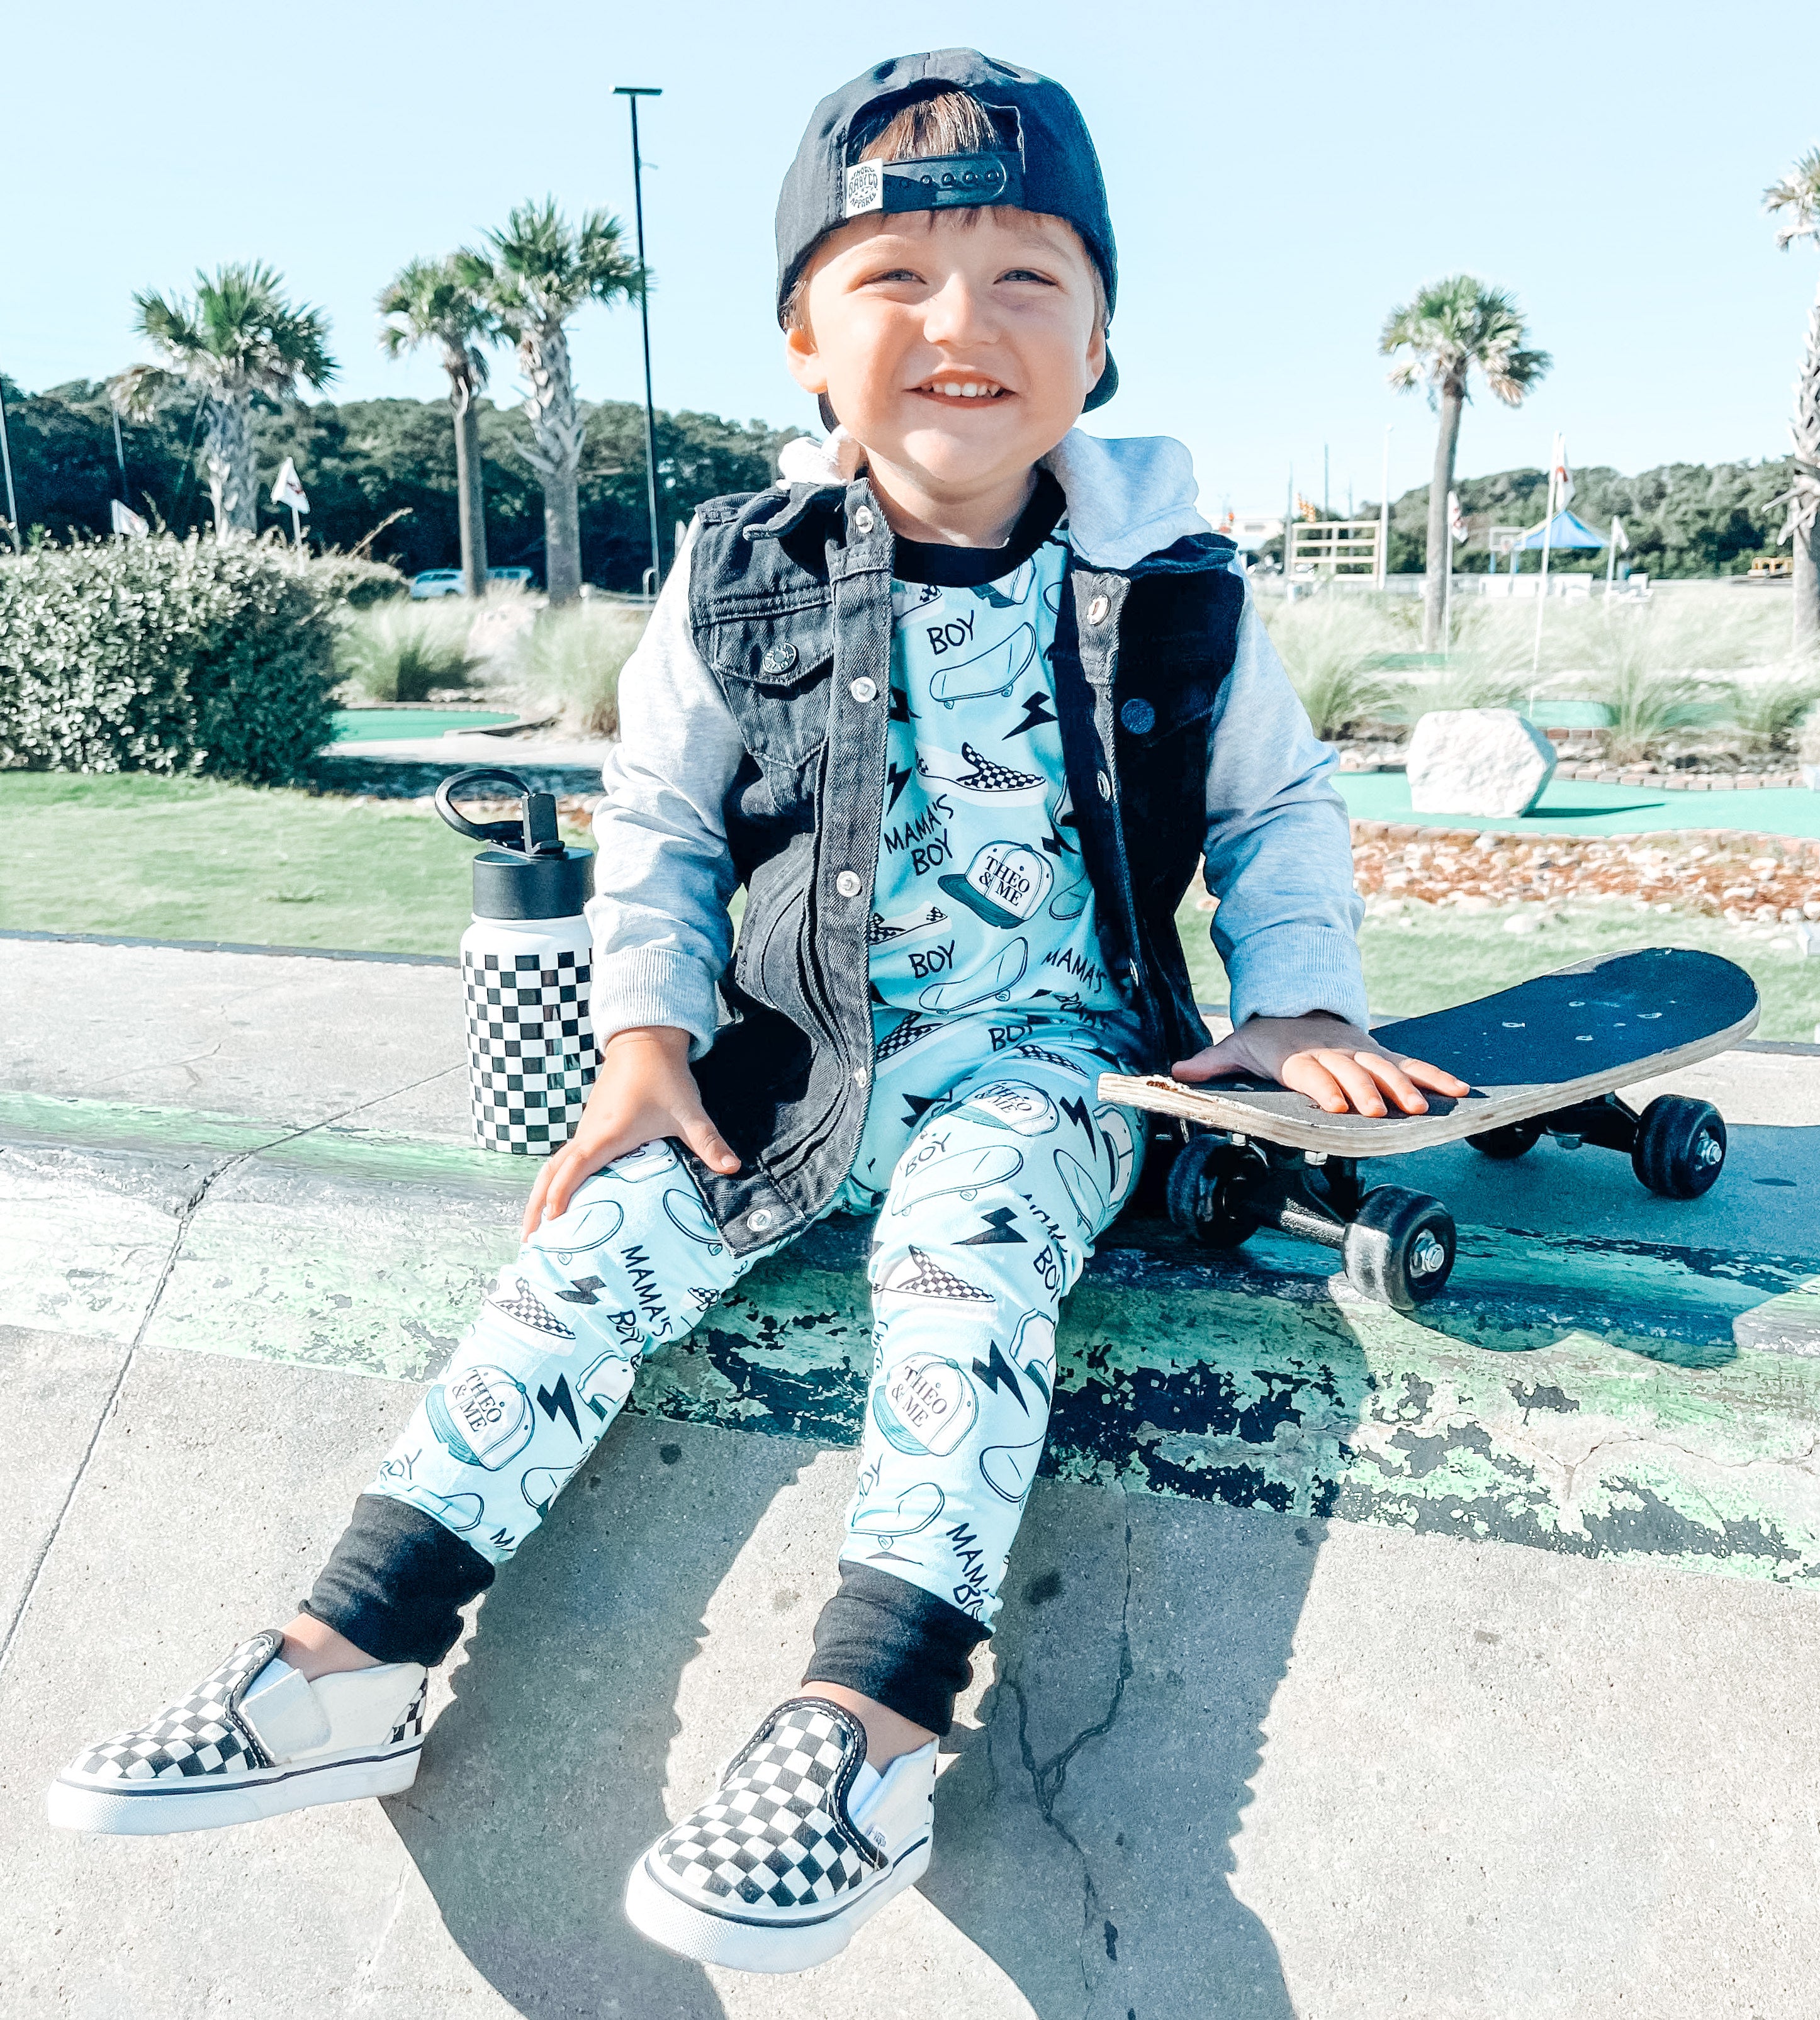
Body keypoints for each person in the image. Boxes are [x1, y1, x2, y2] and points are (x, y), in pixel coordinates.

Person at [48, 49, 1465, 1974]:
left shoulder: (1182, 583)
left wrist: (1295, 1004)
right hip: (789, 1073)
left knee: (965, 1263)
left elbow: (1277, 806)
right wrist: (643, 1041)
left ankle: (867, 1730)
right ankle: (349, 1652)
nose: (963, 324)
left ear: (1104, 337)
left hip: (1061, 1070)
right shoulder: (739, 576)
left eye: (1028, 279)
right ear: (805, 339)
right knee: (584, 1251)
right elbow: (658, 820)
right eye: (896, 279)